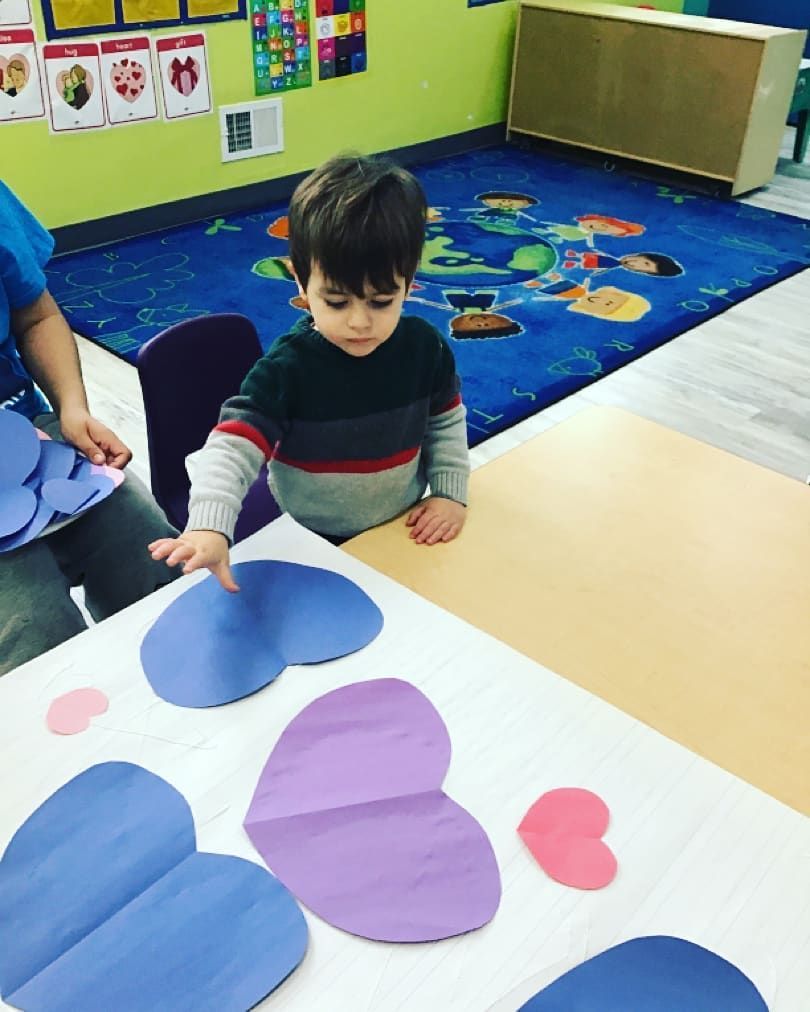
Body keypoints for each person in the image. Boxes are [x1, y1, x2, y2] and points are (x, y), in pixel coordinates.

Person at [149, 154, 470, 592]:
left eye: (381, 301)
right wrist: (209, 525)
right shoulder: (287, 368)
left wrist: (449, 493)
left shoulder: (425, 348)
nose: (359, 322)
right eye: (336, 302)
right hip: (307, 533)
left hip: (400, 526)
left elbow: (445, 422)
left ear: (409, 282)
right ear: (300, 281)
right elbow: (232, 446)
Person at [0, 180, 179, 675]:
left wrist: (72, 407)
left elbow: (36, 317)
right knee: (35, 627)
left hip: (28, 431)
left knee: (149, 548)